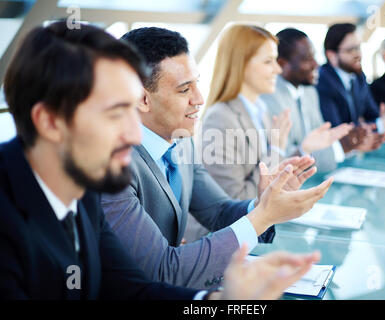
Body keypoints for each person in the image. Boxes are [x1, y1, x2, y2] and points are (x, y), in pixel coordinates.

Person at [0, 21, 321, 300]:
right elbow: (158, 272)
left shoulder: (80, 191)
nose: (132, 132)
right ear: (51, 122)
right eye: (115, 113)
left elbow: (133, 290)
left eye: (131, 108)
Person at [101, 27, 333, 290]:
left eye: (197, 83)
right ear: (142, 99)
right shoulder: (111, 167)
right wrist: (264, 216)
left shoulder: (181, 139)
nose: (199, 99)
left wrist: (262, 203)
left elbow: (218, 210)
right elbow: (163, 269)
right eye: (184, 89)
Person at [201, 24, 332, 201]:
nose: (278, 70)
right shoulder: (220, 118)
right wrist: (276, 148)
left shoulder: (260, 112)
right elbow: (233, 200)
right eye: (268, 61)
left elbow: (268, 179)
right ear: (242, 64)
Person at [261, 28, 352, 173]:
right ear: (282, 64)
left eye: (314, 57)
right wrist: (338, 148)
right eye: (307, 59)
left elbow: (321, 140)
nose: (316, 64)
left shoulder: (310, 91)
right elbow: (286, 159)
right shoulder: (269, 98)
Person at [316, 23, 385, 151]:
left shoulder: (359, 77)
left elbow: (372, 115)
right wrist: (382, 124)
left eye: (358, 47)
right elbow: (336, 130)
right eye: (351, 50)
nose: (358, 54)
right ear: (331, 55)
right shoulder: (322, 81)